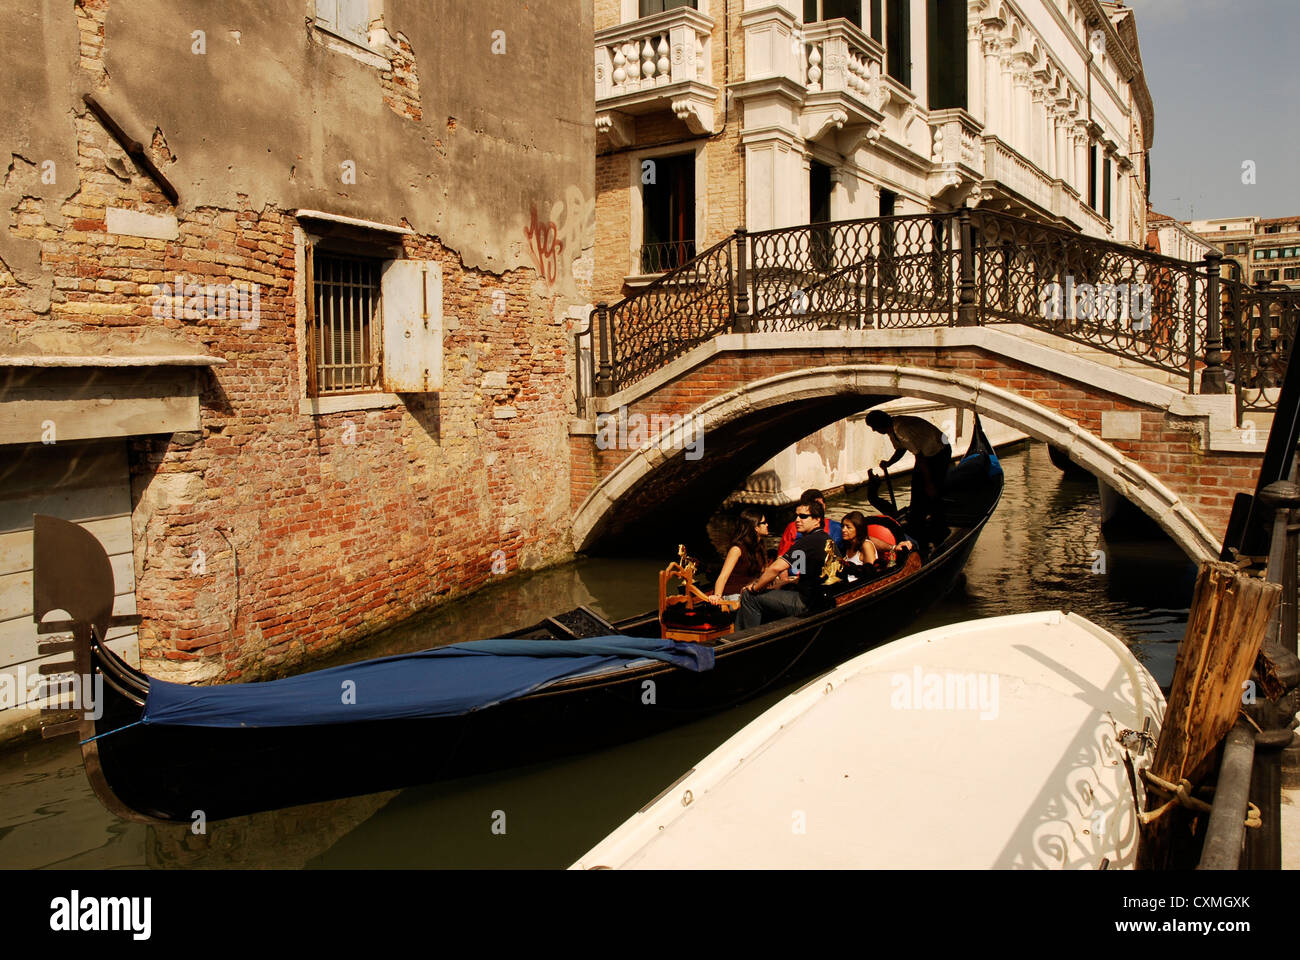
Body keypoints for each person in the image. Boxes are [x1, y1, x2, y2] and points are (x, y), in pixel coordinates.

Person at [736, 499, 836, 629]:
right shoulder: (824, 539)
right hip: (820, 600)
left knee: (749, 597)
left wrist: (755, 587)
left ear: (817, 520)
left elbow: (775, 568)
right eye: (796, 515)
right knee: (776, 590)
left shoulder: (807, 542)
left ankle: (744, 639)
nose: (797, 520)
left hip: (808, 604)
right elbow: (803, 575)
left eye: (803, 516)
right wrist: (783, 583)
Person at [865, 410, 951, 541]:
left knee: (931, 489)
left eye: (873, 427)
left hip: (939, 451)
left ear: (879, 424)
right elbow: (901, 449)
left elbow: (920, 457)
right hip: (926, 454)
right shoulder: (892, 430)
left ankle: (940, 527)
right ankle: (918, 520)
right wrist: (889, 463)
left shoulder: (901, 429)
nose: (873, 430)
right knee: (918, 487)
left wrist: (928, 484)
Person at [707, 509, 769, 605]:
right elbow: (723, 576)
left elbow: (763, 573)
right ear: (756, 527)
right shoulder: (737, 549)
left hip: (750, 592)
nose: (767, 525)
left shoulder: (759, 546)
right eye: (764, 523)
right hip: (733, 595)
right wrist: (717, 596)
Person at [777, 488, 843, 556]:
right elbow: (782, 556)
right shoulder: (793, 528)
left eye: (820, 505)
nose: (819, 508)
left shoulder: (837, 528)